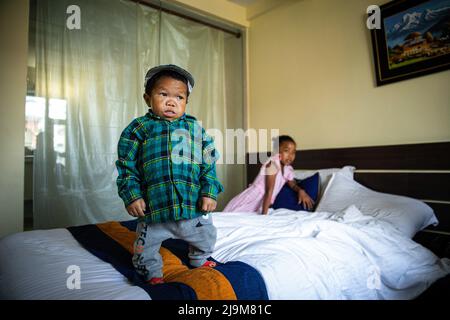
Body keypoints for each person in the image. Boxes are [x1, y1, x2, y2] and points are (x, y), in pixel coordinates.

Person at [116, 64, 224, 285]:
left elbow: (209, 164)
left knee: (206, 235)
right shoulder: (139, 129)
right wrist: (132, 196)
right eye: (163, 94)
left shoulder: (196, 130)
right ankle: (152, 272)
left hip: (192, 207)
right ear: (148, 98)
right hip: (155, 208)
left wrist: (210, 193)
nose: (171, 101)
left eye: (179, 97)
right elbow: (127, 167)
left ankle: (198, 257)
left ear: (186, 102)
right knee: (144, 248)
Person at [223, 135, 314, 214]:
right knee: (230, 217)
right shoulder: (272, 164)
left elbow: (292, 184)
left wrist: (301, 191)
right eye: (287, 151)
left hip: (261, 202)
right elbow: (269, 191)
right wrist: (264, 216)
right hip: (252, 198)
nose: (290, 155)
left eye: (293, 152)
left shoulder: (287, 170)